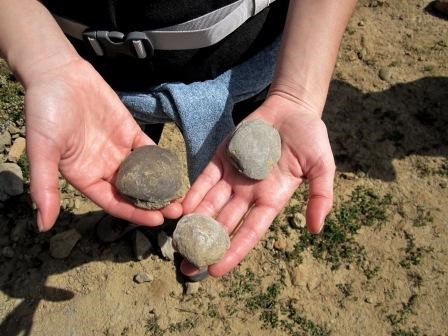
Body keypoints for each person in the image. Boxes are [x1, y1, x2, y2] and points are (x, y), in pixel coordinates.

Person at [0, 0, 357, 278]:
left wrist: (299, 93)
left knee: (221, 172)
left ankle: (199, 236)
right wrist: (42, 58)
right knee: (128, 149)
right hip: (94, 73)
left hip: (239, 55)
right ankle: (140, 209)